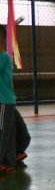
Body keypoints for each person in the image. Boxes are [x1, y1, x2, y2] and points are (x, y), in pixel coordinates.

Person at [0, 24, 17, 173]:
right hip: (5, 101)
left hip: (4, 101)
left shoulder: (3, 56)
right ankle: (10, 161)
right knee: (8, 132)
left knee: (1, 132)